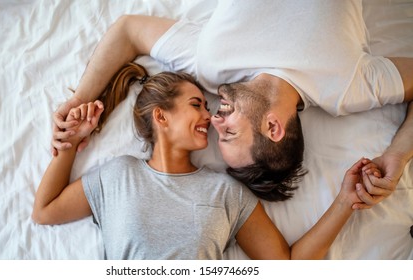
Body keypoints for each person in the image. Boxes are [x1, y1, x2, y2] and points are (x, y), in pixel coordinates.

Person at [51, 1, 413, 202]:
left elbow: (128, 29)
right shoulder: (348, 87)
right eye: (229, 133)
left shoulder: (210, 69)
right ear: (273, 127)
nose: (213, 121)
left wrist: (82, 97)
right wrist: (398, 155)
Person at [33, 62, 382, 259]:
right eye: (196, 104)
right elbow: (45, 210)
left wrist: (344, 202)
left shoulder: (226, 192)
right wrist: (71, 143)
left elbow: (285, 266)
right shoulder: (116, 176)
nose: (209, 114)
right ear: (162, 117)